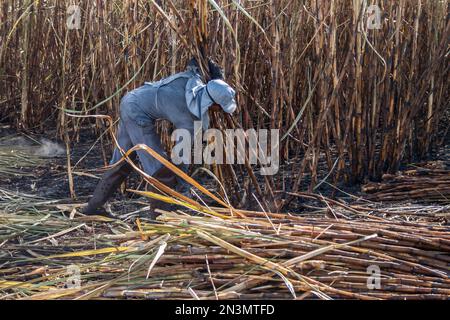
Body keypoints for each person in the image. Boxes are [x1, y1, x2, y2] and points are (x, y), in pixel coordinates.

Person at [82, 58, 237, 216]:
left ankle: (94, 207)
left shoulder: (193, 81)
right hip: (136, 112)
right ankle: (160, 215)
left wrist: (214, 75)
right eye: (219, 108)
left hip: (131, 100)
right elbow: (180, 158)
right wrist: (183, 190)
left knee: (123, 159)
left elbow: (194, 66)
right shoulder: (188, 117)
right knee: (159, 167)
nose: (220, 111)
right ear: (210, 103)